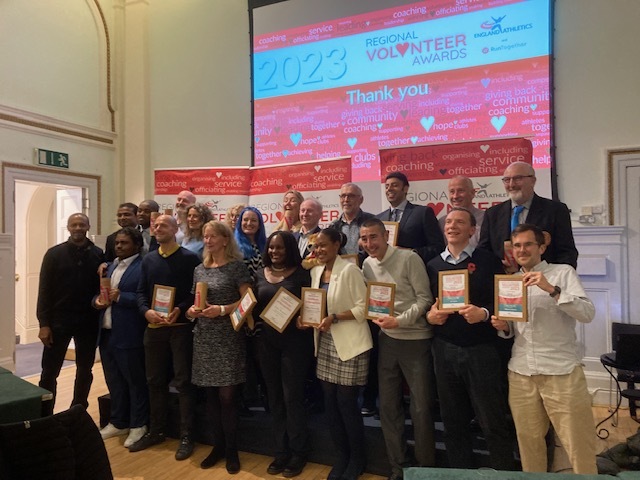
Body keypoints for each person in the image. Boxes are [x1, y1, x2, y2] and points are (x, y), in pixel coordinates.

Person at [491, 224, 597, 474]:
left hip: (561, 373)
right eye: (517, 245)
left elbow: (587, 313)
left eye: (528, 244)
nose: (522, 250)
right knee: (528, 445)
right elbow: (513, 330)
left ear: (541, 247)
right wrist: (503, 327)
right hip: (521, 374)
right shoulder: (510, 282)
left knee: (578, 445)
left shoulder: (563, 273)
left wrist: (552, 290)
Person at [426, 208, 514, 470]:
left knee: (491, 420)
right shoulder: (432, 265)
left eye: (460, 222)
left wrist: (484, 313)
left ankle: (503, 474)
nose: (452, 226)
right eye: (449, 222)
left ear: (472, 230)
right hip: (444, 349)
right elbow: (426, 303)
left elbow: (504, 302)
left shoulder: (488, 260)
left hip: (481, 350)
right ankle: (460, 473)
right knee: (452, 421)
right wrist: (430, 316)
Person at [360, 218, 435, 480]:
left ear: (386, 236)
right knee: (388, 407)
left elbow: (425, 299)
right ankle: (398, 467)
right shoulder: (367, 264)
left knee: (421, 409)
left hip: (416, 340)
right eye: (364, 238)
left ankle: (424, 470)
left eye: (374, 237)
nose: (369, 243)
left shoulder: (409, 258)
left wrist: (400, 320)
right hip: (387, 340)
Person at [130, 214, 201, 461]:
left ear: (175, 229)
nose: (158, 228)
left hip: (180, 328)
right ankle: (157, 431)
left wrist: (179, 309)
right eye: (156, 225)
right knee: (154, 380)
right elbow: (141, 292)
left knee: (183, 382)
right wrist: (146, 311)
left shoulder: (190, 259)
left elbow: (195, 293)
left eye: (163, 225)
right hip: (154, 328)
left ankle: (187, 436)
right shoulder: (149, 259)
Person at [303, 228, 372, 480]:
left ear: (336, 245)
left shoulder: (350, 270)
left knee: (347, 404)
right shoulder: (316, 271)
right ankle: (341, 456)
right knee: (330, 404)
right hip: (325, 343)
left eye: (323, 245)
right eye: (315, 246)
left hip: (350, 344)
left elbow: (364, 308)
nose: (318, 250)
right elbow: (314, 306)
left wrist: (334, 317)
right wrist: (306, 319)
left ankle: (357, 459)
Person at [186, 221, 252, 474]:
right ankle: (218, 446)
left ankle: (232, 450)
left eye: (213, 236)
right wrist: (192, 311)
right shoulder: (199, 269)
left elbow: (248, 301)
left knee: (227, 397)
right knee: (211, 397)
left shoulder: (237, 267)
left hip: (228, 337)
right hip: (204, 337)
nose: (208, 240)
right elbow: (196, 301)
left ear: (225, 240)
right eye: (205, 236)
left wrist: (222, 310)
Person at [254, 231, 313, 477]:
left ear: (289, 249)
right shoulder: (260, 274)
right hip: (266, 345)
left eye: (280, 248)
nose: (274, 252)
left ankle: (299, 452)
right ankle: (280, 451)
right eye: (271, 247)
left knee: (292, 398)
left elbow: (313, 304)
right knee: (274, 398)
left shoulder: (303, 274)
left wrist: (305, 318)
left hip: (295, 344)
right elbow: (253, 306)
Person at [37, 213, 105, 415]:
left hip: (88, 321)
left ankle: (78, 411)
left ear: (88, 227)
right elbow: (44, 291)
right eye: (74, 225)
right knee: (49, 372)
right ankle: (45, 415)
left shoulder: (98, 254)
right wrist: (43, 324)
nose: (77, 228)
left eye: (81, 224)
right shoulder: (54, 254)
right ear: (68, 227)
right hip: (58, 322)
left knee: (85, 370)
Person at [93, 227, 149, 449]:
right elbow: (99, 293)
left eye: (124, 243)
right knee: (114, 381)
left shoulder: (143, 266)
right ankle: (118, 421)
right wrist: (96, 301)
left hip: (130, 333)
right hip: (107, 333)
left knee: (135, 382)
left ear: (137, 245)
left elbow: (147, 298)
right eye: (117, 243)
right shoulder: (109, 266)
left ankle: (138, 424)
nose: (118, 246)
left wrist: (122, 297)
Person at [479, 161, 578, 269]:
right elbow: (484, 252)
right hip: (503, 278)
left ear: (533, 181)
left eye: (518, 178)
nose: (511, 184)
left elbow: (567, 253)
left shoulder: (556, 210)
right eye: (507, 180)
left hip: (544, 277)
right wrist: (497, 265)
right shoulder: (492, 214)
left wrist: (556, 277)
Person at [375, 171, 444, 265]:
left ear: (405, 189)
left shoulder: (422, 213)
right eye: (386, 186)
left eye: (395, 185)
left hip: (413, 268)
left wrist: (410, 252)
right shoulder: (378, 219)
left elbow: (438, 247)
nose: (389, 189)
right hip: (385, 270)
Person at [328, 182, 374, 259]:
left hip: (367, 265)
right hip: (342, 266)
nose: (346, 200)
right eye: (343, 196)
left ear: (361, 200)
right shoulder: (333, 226)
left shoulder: (372, 221)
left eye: (351, 196)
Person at [438, 176, 485, 247]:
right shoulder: (442, 222)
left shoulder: (485, 218)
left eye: (460, 191)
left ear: (472, 193)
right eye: (452, 192)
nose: (455, 196)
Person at [234, 206, 267, 282]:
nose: (249, 223)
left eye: (253, 220)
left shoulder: (265, 245)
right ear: (240, 223)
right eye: (245, 220)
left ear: (259, 225)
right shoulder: (234, 246)